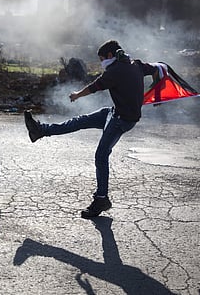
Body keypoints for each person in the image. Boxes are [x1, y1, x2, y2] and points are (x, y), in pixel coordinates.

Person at [24, 40, 157, 218]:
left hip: (121, 120)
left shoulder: (116, 71)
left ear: (110, 56)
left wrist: (77, 95)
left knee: (101, 155)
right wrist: (157, 93)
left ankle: (101, 199)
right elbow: (160, 68)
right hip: (114, 113)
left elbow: (95, 87)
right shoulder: (136, 64)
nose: (102, 63)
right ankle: (41, 130)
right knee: (79, 121)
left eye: (102, 59)